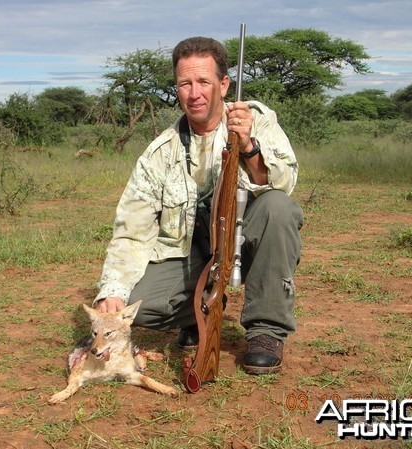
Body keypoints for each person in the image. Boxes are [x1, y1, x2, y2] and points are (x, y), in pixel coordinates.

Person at [93, 36, 303, 374]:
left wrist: (248, 146)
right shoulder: (159, 152)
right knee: (140, 308)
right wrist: (112, 292)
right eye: (185, 84)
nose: (195, 93)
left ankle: (266, 329)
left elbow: (283, 183)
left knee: (278, 208)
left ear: (223, 84)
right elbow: (131, 229)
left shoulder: (257, 120)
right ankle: (198, 312)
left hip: (245, 241)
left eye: (204, 81)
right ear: (176, 88)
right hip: (192, 250)